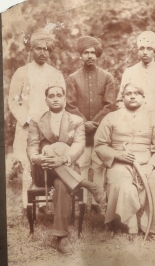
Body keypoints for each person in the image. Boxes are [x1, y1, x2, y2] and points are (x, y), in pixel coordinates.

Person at [27, 86, 106, 254]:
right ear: (46, 100)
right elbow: (32, 146)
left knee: (63, 185)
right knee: (48, 148)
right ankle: (87, 185)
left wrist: (63, 159)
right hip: (44, 170)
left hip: (67, 166)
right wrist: (37, 158)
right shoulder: (36, 121)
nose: (55, 98)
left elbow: (78, 146)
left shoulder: (76, 121)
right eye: (51, 96)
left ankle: (61, 237)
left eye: (59, 95)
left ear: (64, 99)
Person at [94, 82, 155, 239]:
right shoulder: (111, 117)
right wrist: (118, 155)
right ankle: (128, 225)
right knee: (121, 181)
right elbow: (100, 145)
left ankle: (151, 227)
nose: (132, 96)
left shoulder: (153, 119)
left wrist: (151, 166)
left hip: (147, 163)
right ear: (122, 98)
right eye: (128, 93)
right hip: (120, 163)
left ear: (143, 98)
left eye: (136, 93)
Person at [8, 28, 66, 210]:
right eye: (39, 48)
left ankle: (46, 204)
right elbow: (12, 100)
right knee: (28, 164)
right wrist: (25, 120)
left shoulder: (56, 74)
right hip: (27, 126)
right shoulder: (21, 72)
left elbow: (62, 101)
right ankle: (28, 204)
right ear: (31, 50)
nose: (43, 52)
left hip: (49, 127)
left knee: (48, 163)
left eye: (47, 49)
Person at [66, 36, 115, 209]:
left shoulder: (107, 77)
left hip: (101, 131)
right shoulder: (72, 78)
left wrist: (94, 123)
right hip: (81, 130)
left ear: (97, 55)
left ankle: (98, 203)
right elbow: (70, 105)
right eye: (86, 52)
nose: (90, 56)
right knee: (82, 164)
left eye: (93, 53)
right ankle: (83, 203)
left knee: (99, 165)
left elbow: (110, 105)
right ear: (80, 55)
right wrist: (83, 124)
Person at [116, 31, 155, 122]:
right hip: (133, 123)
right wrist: (129, 117)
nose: (145, 52)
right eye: (142, 48)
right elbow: (120, 101)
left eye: (149, 49)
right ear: (138, 51)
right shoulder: (129, 72)